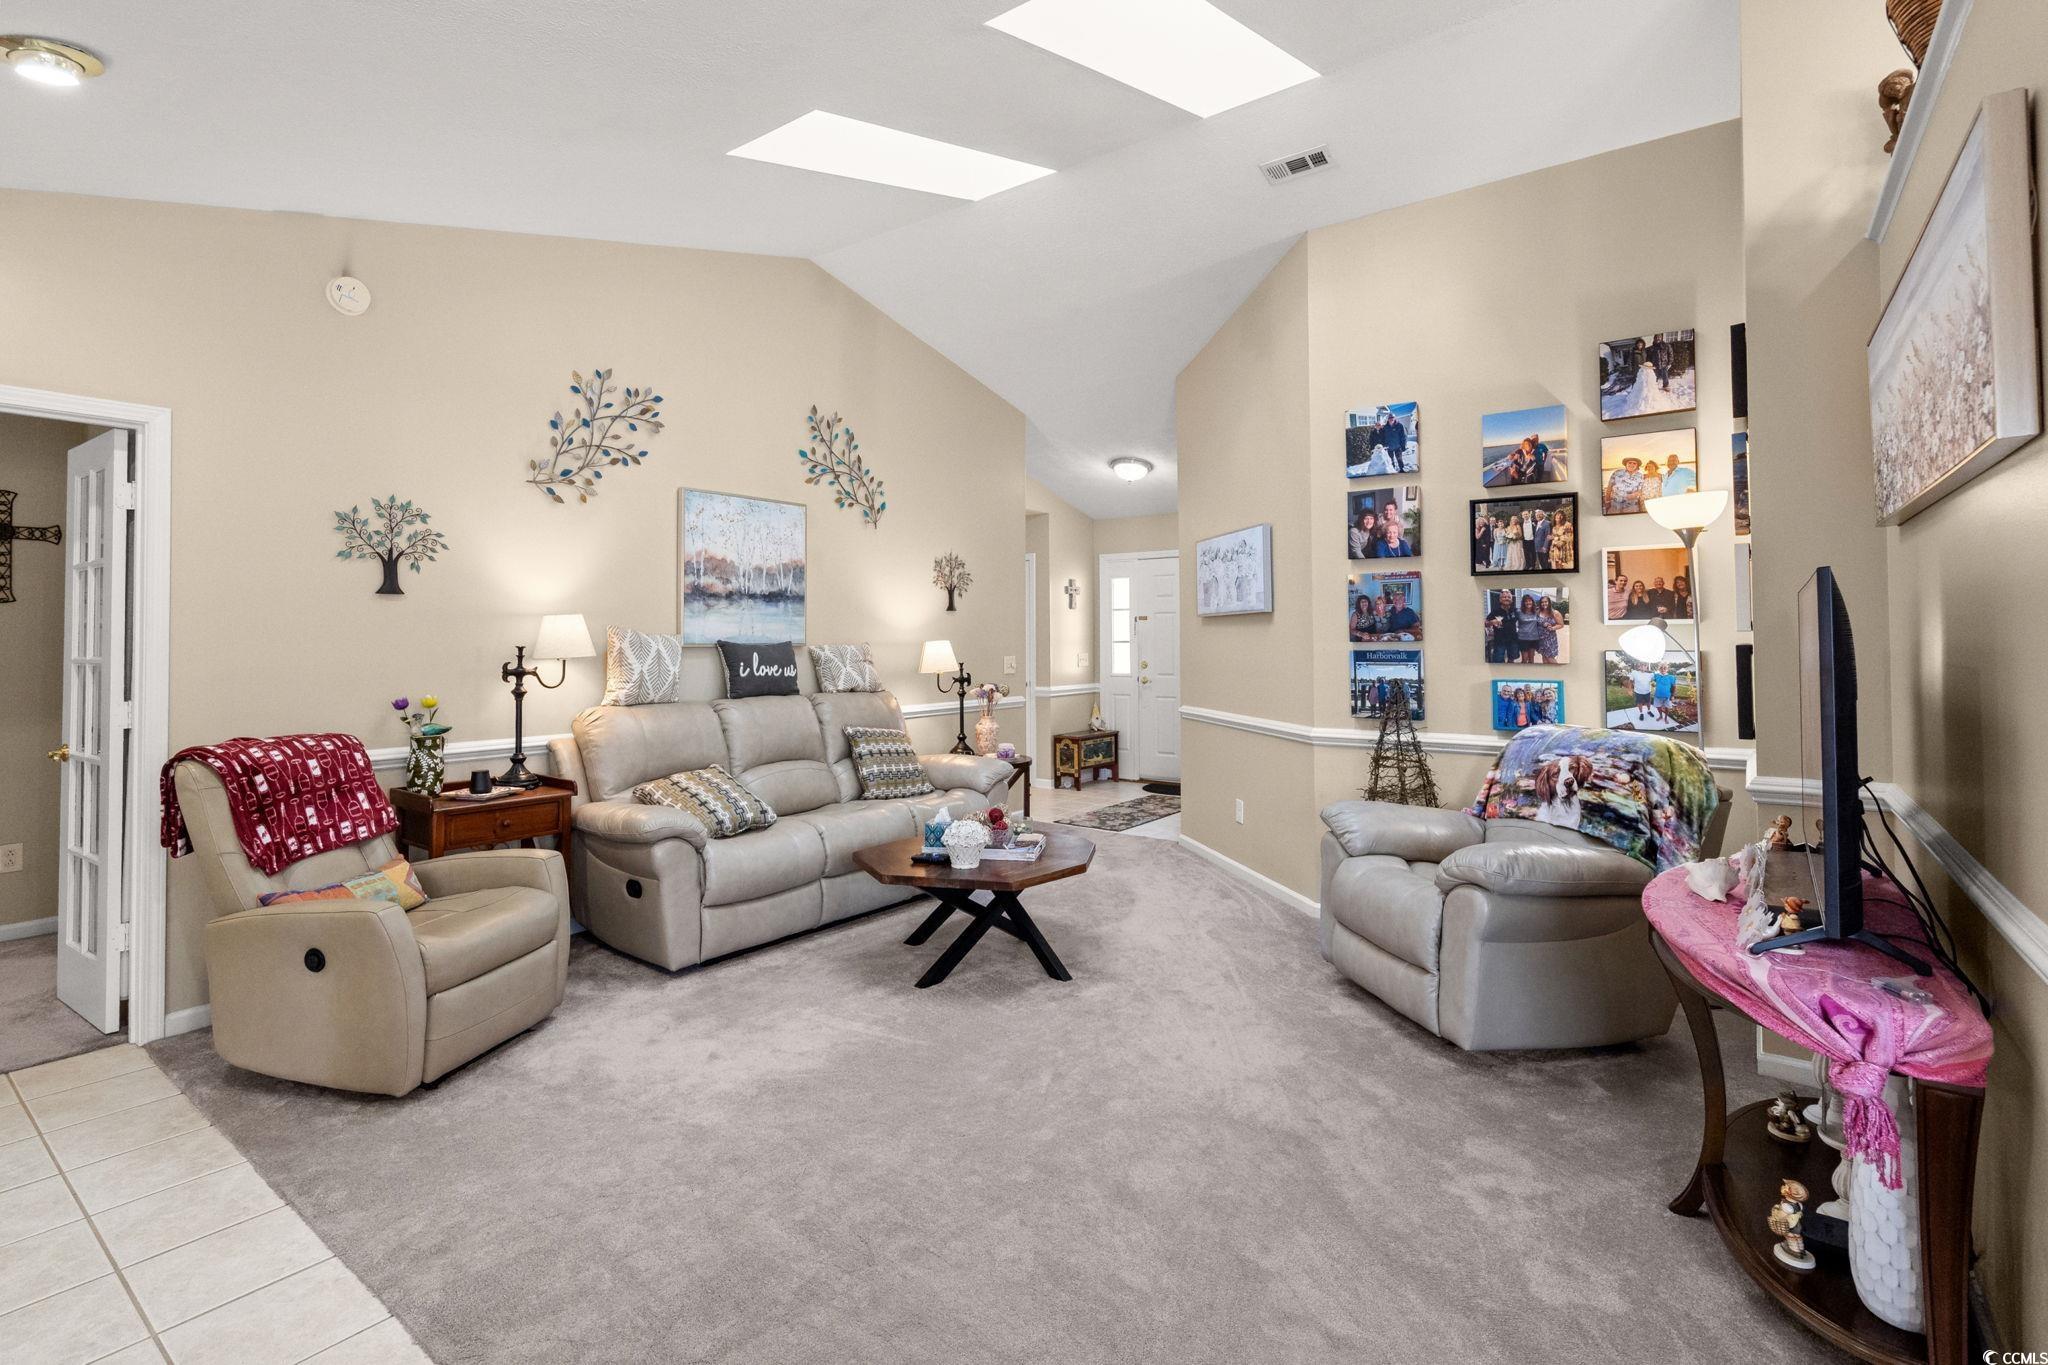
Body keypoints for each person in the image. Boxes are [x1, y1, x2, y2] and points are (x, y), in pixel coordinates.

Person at [1485, 589, 1518, 664]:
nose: (1506, 598)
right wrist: (1491, 622)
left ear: (1511, 600)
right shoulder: (1495, 611)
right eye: (1504, 597)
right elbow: (1486, 623)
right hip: (1499, 641)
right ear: (1500, 600)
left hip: (1512, 639)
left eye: (1509, 597)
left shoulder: (1514, 610)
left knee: (1511, 659)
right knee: (1498, 661)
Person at [1514, 593, 1544, 664]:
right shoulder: (1519, 612)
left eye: (1530, 601)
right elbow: (1512, 622)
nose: (1528, 602)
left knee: (1531, 659)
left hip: (1534, 638)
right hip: (1523, 638)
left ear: (1532, 602)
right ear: (1523, 603)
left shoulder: (1536, 612)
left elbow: (1545, 615)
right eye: (1526, 601)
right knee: (1524, 659)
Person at [1536, 594, 1565, 664]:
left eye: (1546, 602)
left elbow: (1561, 625)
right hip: (1541, 638)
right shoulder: (1538, 612)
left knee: (1550, 657)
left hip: (1550, 638)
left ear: (1549, 602)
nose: (1544, 603)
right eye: (1542, 602)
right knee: (1544, 656)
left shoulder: (1555, 613)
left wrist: (1552, 628)